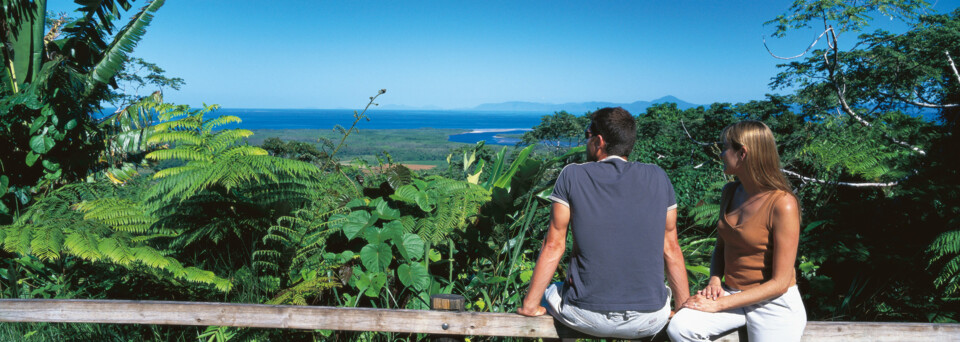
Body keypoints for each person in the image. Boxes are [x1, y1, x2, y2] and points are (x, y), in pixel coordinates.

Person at [516, 107, 690, 339]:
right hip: (648, 319)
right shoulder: (658, 176)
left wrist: (530, 306)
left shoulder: (572, 175)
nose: (586, 140)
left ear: (599, 141)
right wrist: (683, 310)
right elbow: (671, 248)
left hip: (585, 315)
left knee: (553, 290)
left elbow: (553, 245)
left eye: (587, 135)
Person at [667, 120, 806, 342]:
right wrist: (714, 280)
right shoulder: (730, 191)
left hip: (772, 302)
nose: (721, 154)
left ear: (743, 153)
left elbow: (780, 283)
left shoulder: (782, 203)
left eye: (725, 148)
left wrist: (719, 304)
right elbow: (722, 246)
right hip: (730, 292)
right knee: (680, 327)